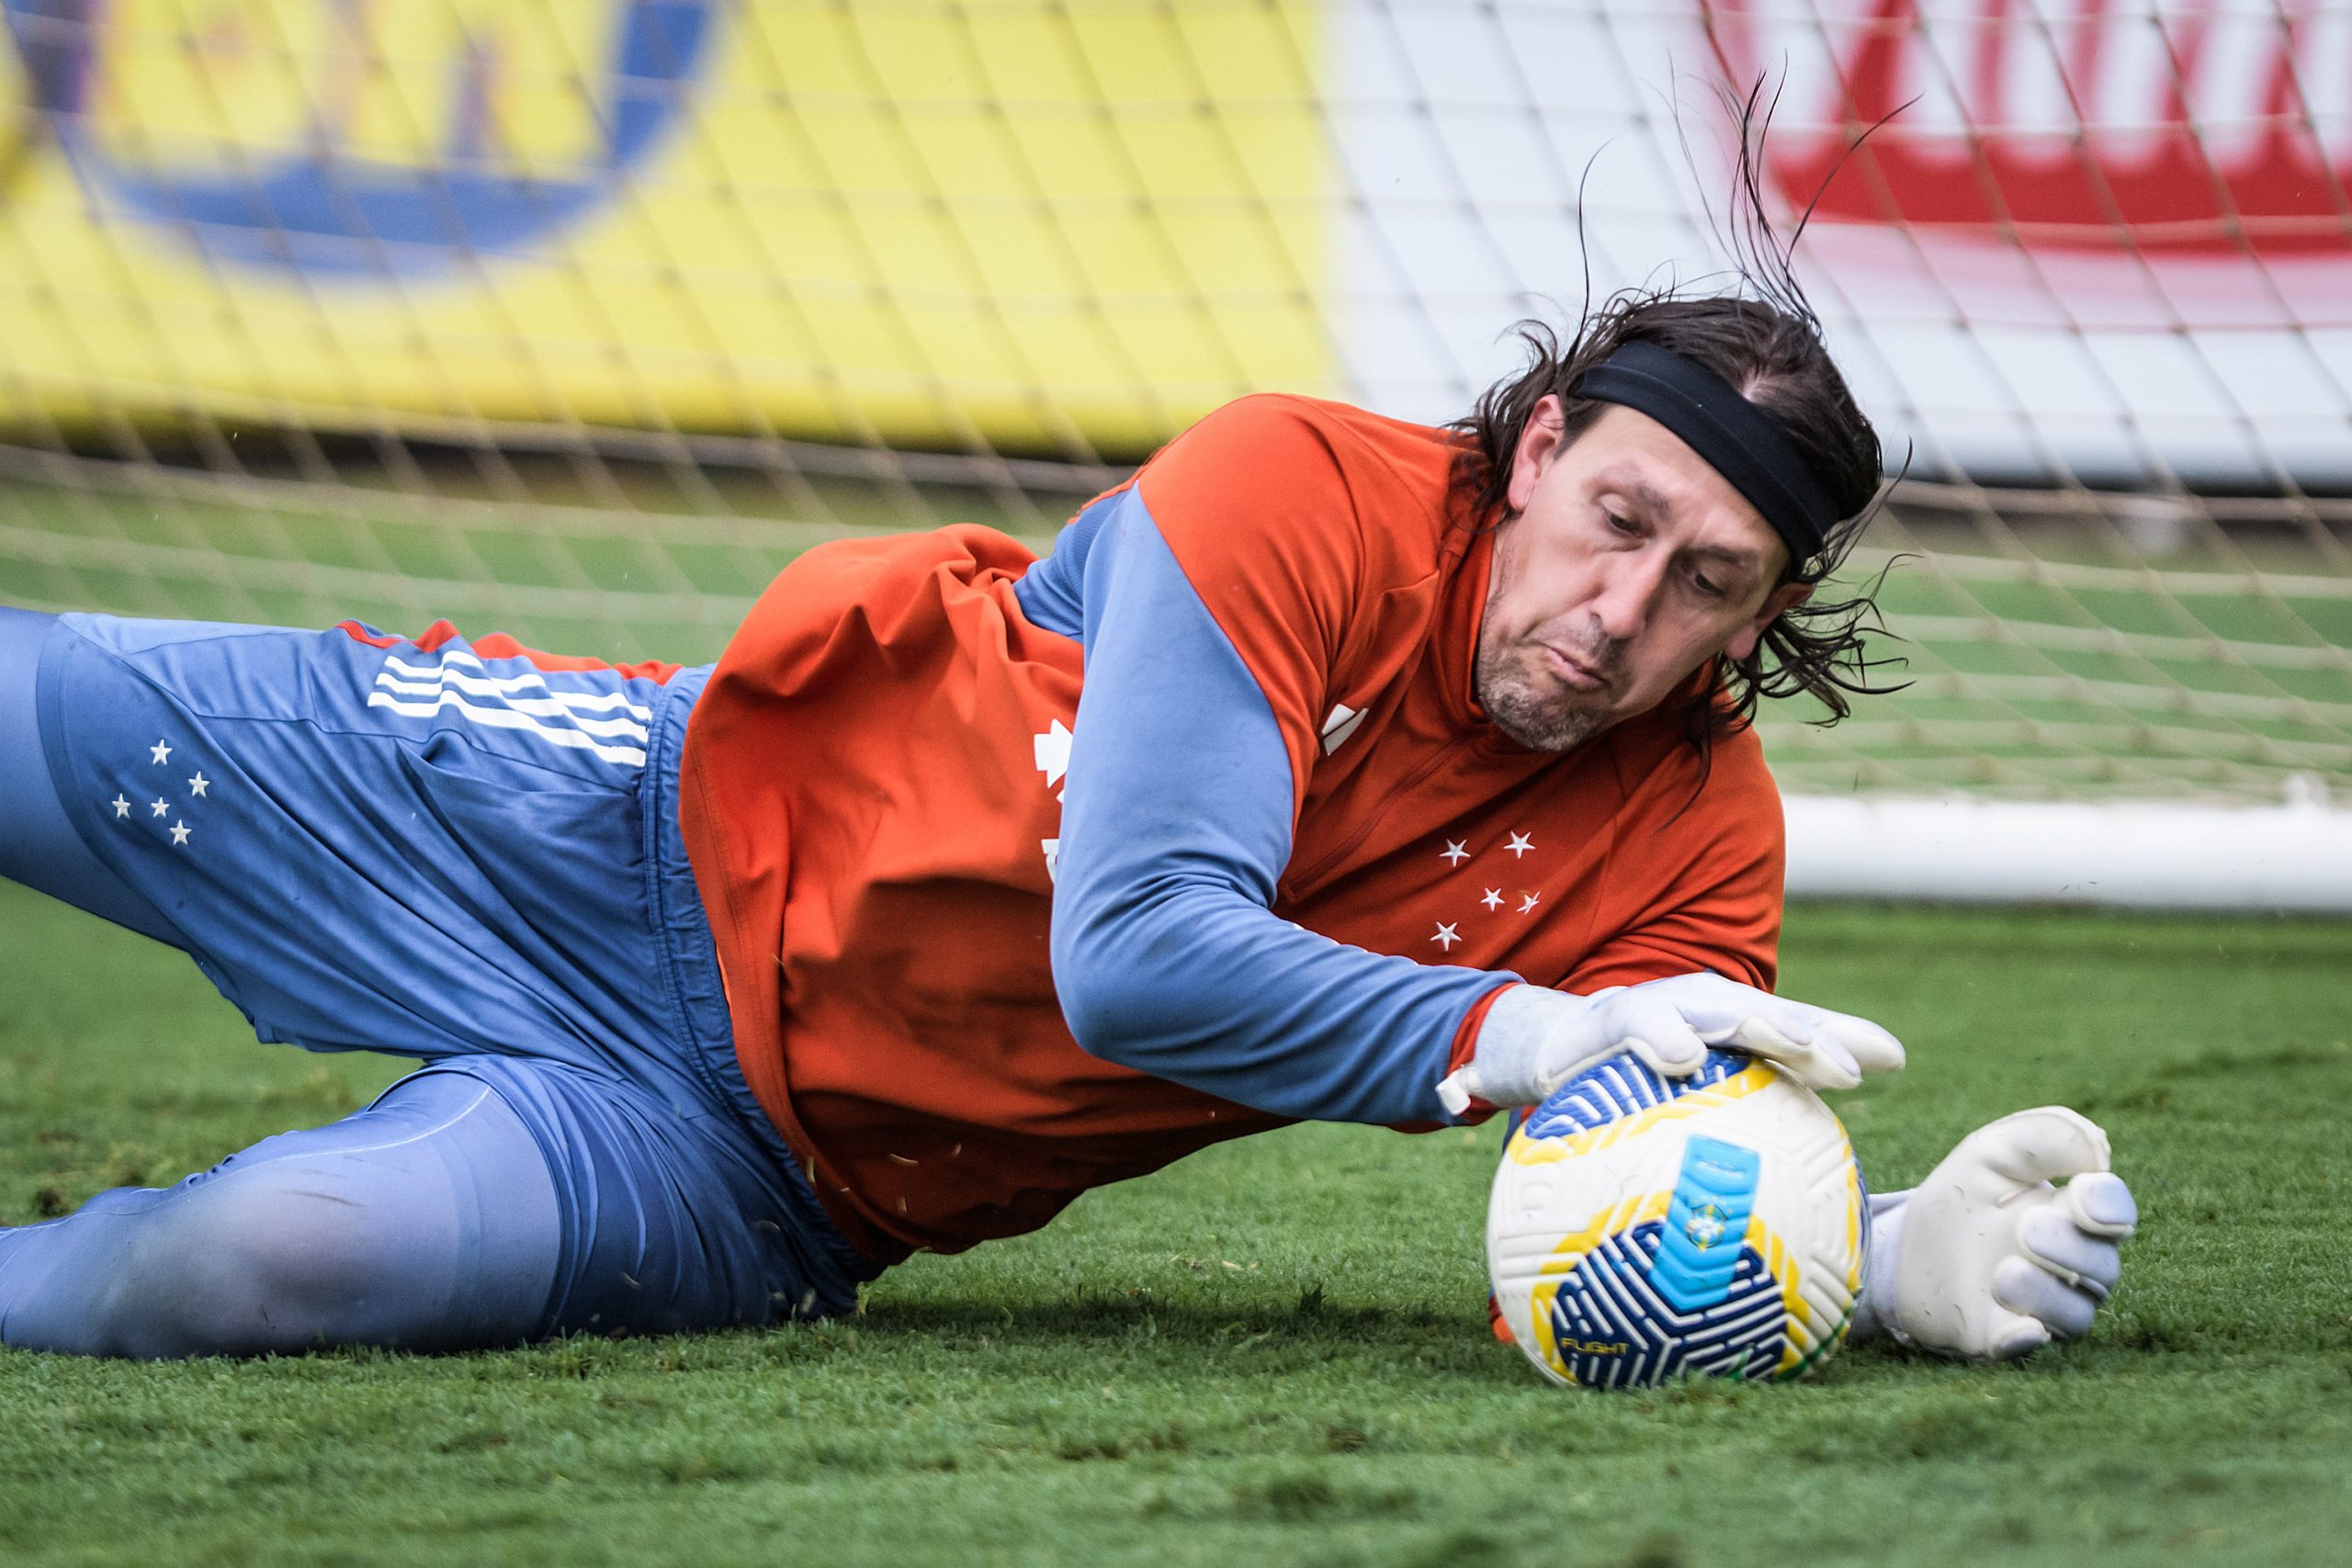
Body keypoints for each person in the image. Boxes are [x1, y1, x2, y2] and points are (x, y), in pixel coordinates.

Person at [0, 288, 2132, 1362]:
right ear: (1538, 451)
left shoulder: (1691, 849)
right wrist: (1515, 1025)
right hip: (597, 822)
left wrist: (1858, 1257)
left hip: (760, 1173)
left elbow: (1661, 1168)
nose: (1617, 615)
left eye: (1706, 588)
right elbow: (1139, 946)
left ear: (1768, 620)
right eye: (1614, 524)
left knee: (267, 1257)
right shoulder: (1295, 485)